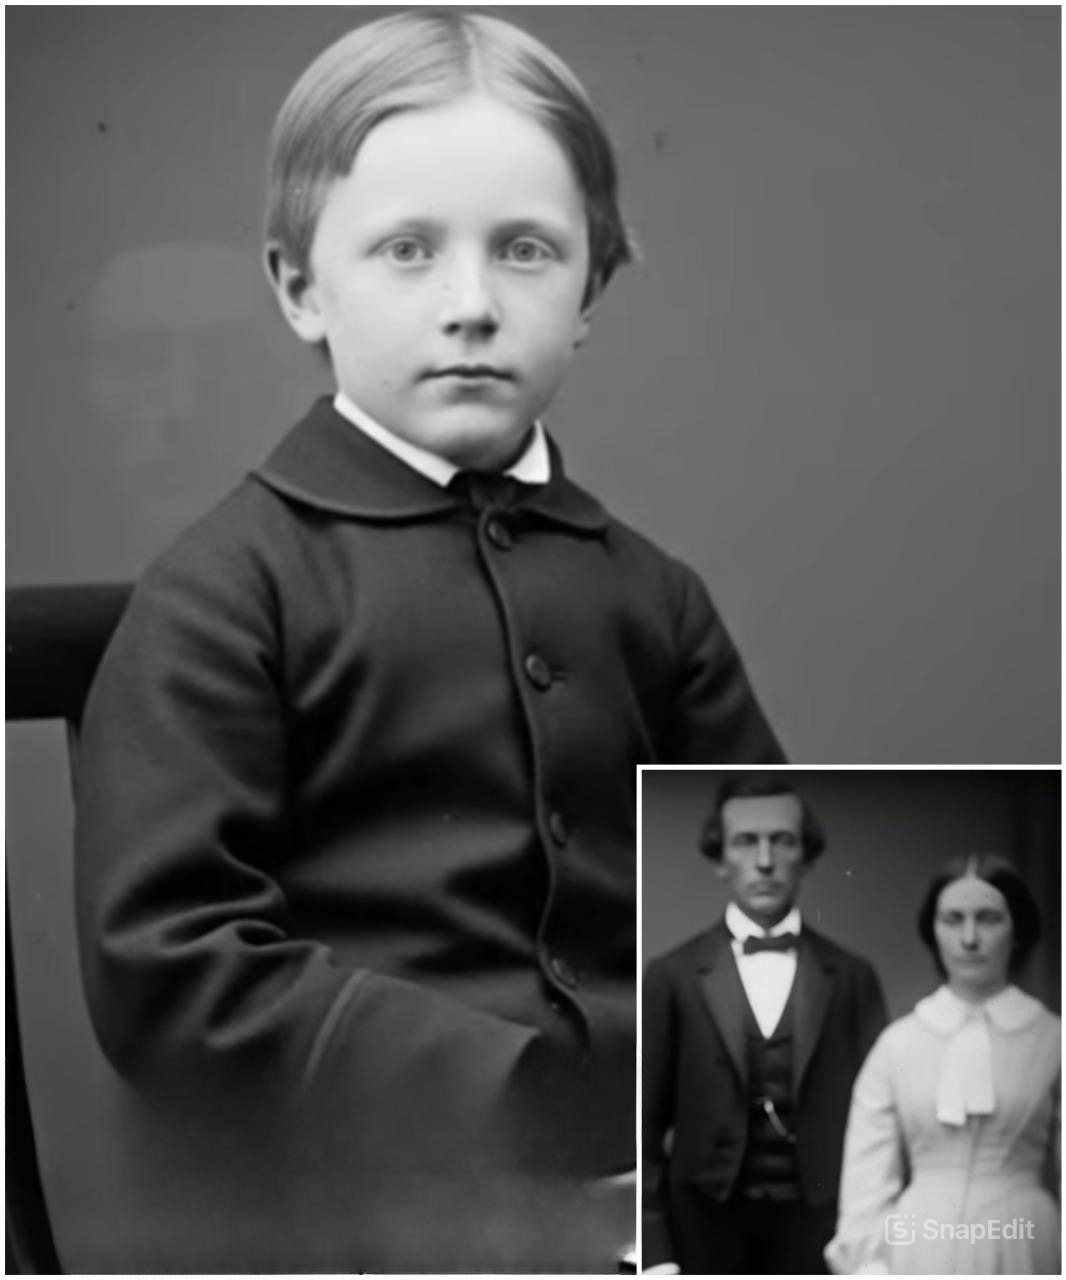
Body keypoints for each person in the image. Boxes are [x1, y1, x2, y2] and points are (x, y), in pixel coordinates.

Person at [73, 11, 784, 1274]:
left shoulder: (654, 597)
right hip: (352, 1220)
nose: (471, 305)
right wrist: (524, 1103)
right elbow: (168, 971)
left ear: (591, 290)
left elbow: (753, 886)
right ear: (302, 286)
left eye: (525, 250)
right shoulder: (227, 591)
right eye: (407, 250)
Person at [643, 775, 886, 1274]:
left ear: (807, 857)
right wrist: (657, 1255)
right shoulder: (672, 976)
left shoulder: (852, 978)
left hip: (822, 1235)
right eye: (745, 841)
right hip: (702, 1237)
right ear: (720, 859)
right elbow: (640, 1130)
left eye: (782, 840)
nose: (765, 860)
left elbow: (883, 1131)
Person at [825, 854, 1061, 1275]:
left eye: (988, 919)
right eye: (953, 920)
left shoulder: (1052, 1040)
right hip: (919, 1243)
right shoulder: (898, 1045)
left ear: (1018, 929)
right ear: (932, 931)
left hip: (1025, 1241)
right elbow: (865, 1187)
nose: (969, 939)